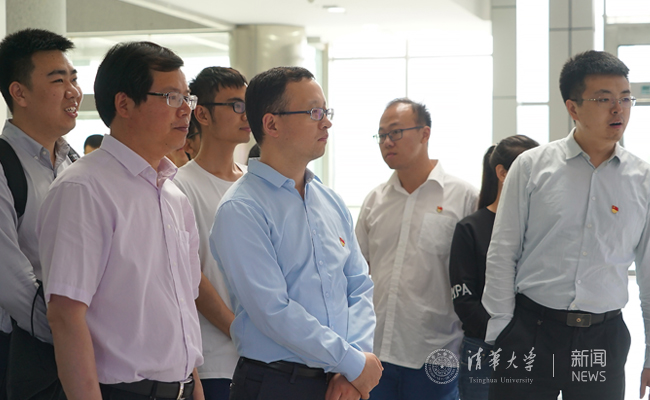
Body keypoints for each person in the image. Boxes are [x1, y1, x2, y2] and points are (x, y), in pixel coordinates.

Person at [37, 41, 204, 400]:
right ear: (124, 104)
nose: (185, 111)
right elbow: (65, 316)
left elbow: (182, 309)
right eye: (171, 97)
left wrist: (193, 386)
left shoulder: (173, 195)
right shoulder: (84, 189)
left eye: (187, 98)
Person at [482, 50, 649, 400]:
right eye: (604, 99)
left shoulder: (643, 180)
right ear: (573, 108)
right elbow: (502, 252)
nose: (618, 109)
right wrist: (501, 333)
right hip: (531, 331)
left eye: (625, 98)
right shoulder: (531, 167)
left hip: (602, 339)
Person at [210, 66, 381, 400]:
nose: (326, 122)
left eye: (326, 111)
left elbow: (359, 285)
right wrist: (350, 361)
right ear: (271, 124)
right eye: (314, 112)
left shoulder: (329, 200)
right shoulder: (241, 208)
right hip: (276, 384)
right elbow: (273, 310)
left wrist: (354, 365)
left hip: (340, 379)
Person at [355, 98, 478, 400]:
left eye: (395, 132)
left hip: (437, 354)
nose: (387, 142)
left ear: (425, 134)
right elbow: (356, 274)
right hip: (376, 353)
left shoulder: (463, 198)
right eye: (381, 135)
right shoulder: (374, 201)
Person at [0, 28, 81, 399]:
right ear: (19, 93)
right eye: (58, 80)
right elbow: (11, 280)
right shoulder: (5, 165)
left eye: (73, 79)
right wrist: (70, 335)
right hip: (25, 357)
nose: (73, 91)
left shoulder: (74, 164)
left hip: (80, 349)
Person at [173, 66, 250, 400]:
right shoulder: (179, 185)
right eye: (235, 105)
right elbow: (192, 278)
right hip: (215, 361)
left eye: (249, 105)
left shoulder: (254, 183)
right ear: (202, 114)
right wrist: (240, 330)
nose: (246, 114)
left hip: (265, 360)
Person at [448, 136, 538, 400]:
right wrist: (501, 335)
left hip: (534, 347)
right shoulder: (471, 228)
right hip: (485, 348)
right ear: (502, 173)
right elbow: (464, 298)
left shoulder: (541, 228)